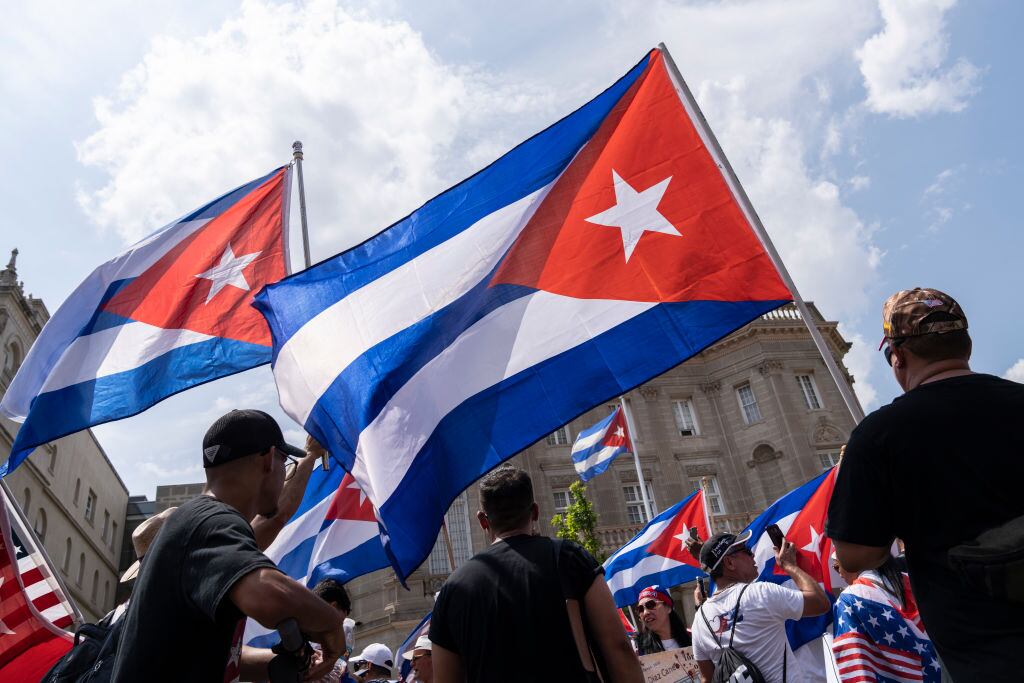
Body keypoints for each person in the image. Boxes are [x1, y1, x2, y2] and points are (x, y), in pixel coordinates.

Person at [826, 288, 1024, 681]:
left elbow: (853, 556)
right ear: (965, 344)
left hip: (987, 656)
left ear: (896, 356)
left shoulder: (879, 436)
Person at [110, 409, 346, 683]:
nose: (285, 473)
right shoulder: (209, 521)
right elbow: (268, 595)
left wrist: (279, 665)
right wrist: (331, 624)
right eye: (287, 462)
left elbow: (275, 518)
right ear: (270, 459)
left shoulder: (202, 525)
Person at [429, 465, 643, 683]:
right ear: (535, 512)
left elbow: (444, 678)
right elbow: (618, 646)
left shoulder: (452, 589)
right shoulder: (569, 558)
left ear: (483, 520)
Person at [690, 531, 830, 683]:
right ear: (729, 563)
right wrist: (789, 566)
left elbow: (707, 679)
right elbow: (820, 602)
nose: (753, 555)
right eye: (746, 551)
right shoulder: (759, 593)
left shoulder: (699, 619)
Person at [831, 553, 939, 682]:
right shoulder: (911, 580)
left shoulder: (850, 598)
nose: (839, 573)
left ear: (850, 558)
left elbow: (854, 660)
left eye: (837, 567)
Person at [635, 585, 691, 655]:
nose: (645, 612)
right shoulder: (639, 649)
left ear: (668, 608)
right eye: (640, 609)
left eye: (651, 604)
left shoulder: (692, 637)